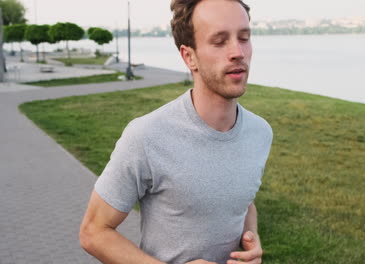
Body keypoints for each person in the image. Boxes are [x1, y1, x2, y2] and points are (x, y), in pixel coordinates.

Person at [79, 0, 272, 263]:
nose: (237, 51)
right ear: (188, 56)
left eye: (244, 38)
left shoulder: (260, 133)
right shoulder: (146, 136)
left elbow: (243, 201)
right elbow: (93, 231)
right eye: (219, 41)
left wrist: (251, 239)